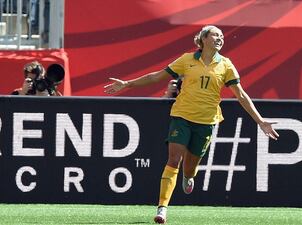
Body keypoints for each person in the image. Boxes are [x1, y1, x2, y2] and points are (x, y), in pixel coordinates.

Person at [104, 25, 279, 224]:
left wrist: (260, 121)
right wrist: (127, 84)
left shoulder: (226, 65)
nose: (220, 38)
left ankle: (189, 176)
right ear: (203, 39)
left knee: (189, 168)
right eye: (215, 35)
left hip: (206, 122)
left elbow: (241, 95)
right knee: (173, 159)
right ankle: (162, 208)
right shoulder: (187, 60)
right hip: (182, 117)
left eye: (222, 36)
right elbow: (157, 76)